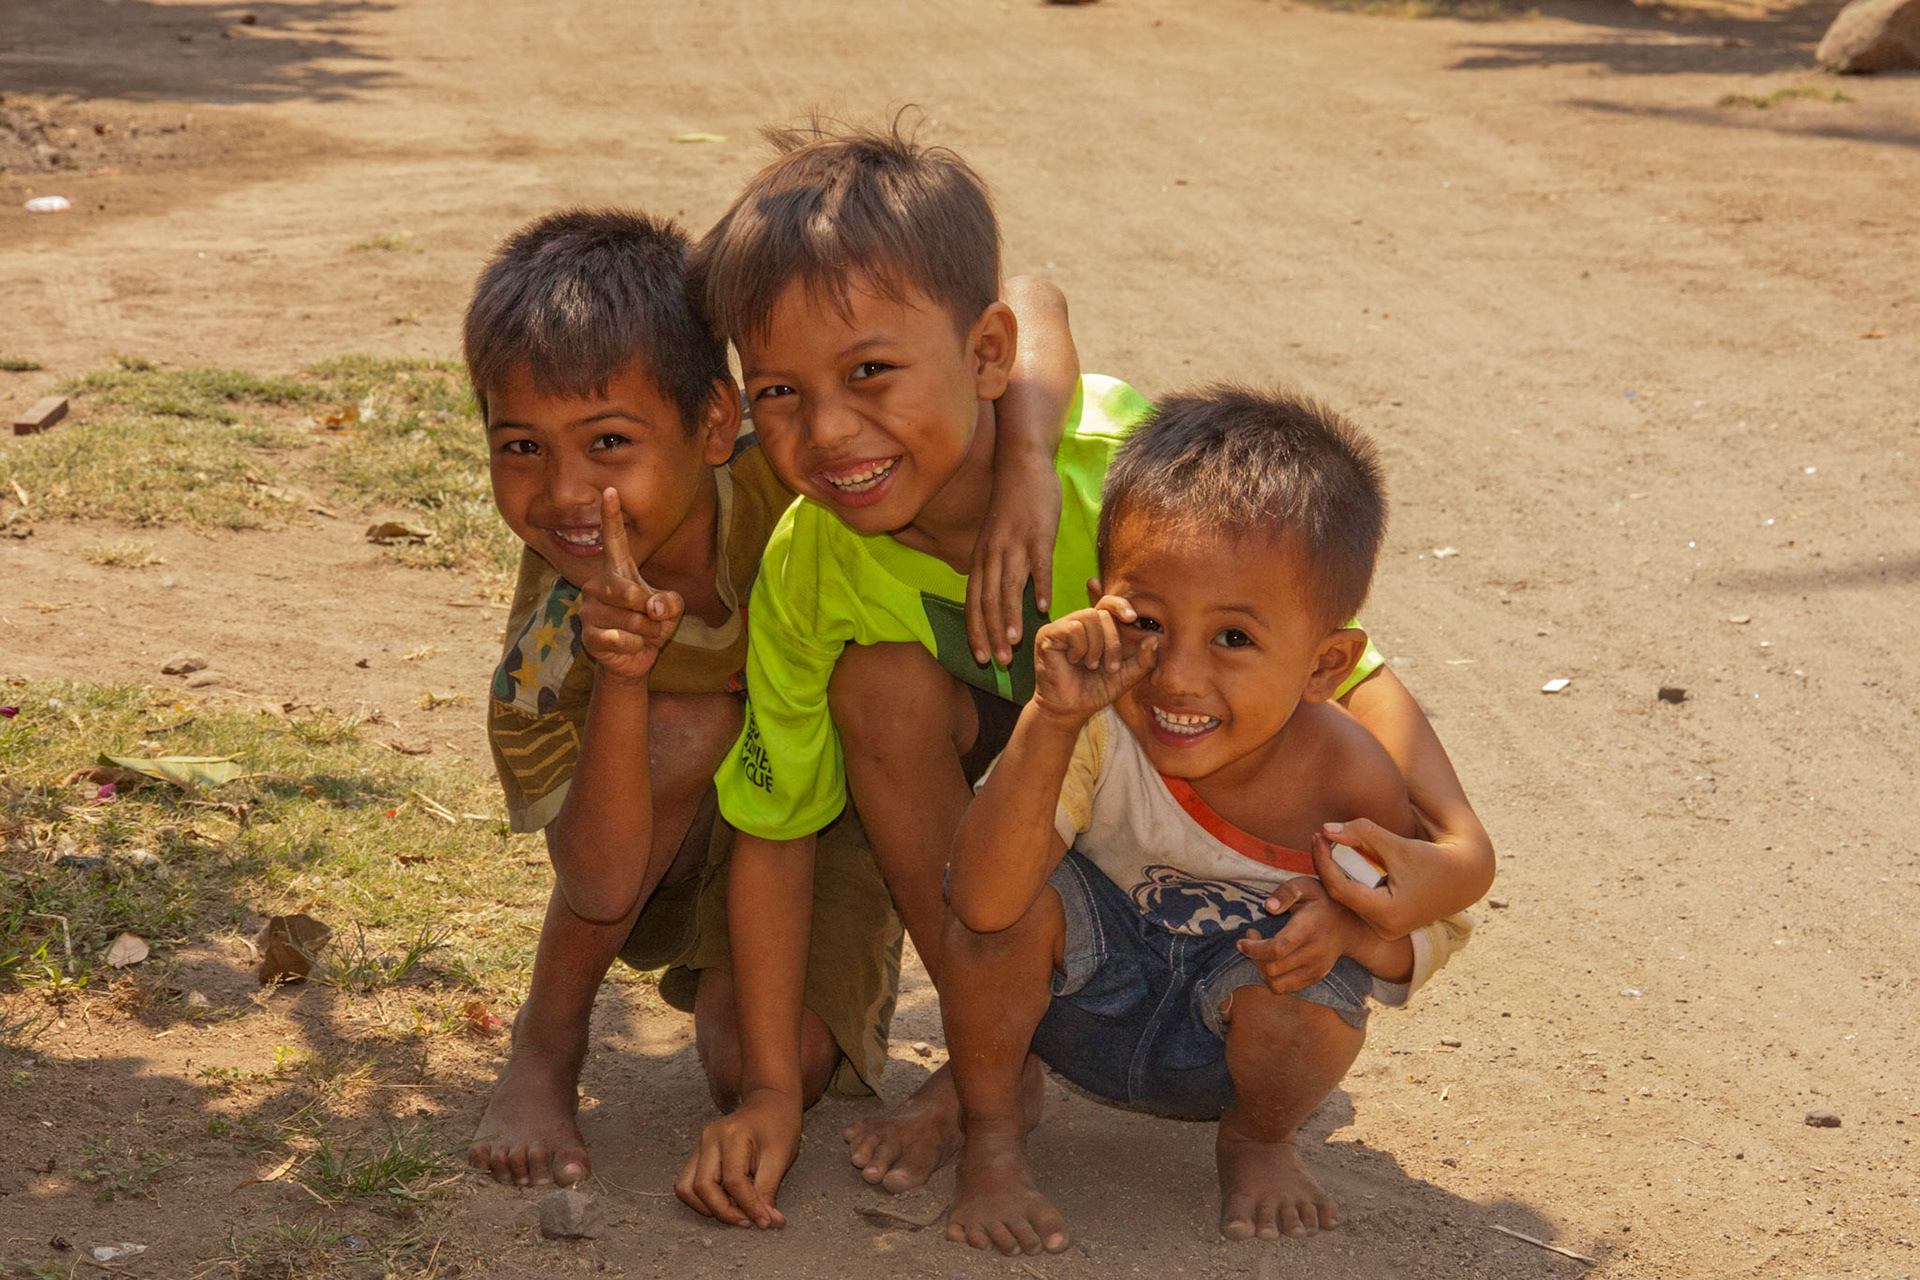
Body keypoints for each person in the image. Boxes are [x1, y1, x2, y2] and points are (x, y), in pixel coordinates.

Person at [677, 121, 1493, 1229]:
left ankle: (1188, 1089)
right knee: (879, 685)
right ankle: (987, 1072)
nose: (826, 429)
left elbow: (1343, 673)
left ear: (984, 358)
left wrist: (1461, 849)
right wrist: (773, 1090)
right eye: (778, 392)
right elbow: (774, 829)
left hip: (1161, 827)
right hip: (1020, 846)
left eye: (870, 371)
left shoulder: (1115, 477)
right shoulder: (808, 564)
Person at [461, 208, 1079, 1188]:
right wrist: (623, 680)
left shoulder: (800, 465)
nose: (569, 492)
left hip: (843, 803)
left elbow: (1034, 294)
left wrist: (1026, 458)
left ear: (714, 423)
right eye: (522, 448)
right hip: (697, 823)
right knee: (689, 725)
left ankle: (990, 1053)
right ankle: (544, 1044)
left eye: (609, 441)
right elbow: (601, 883)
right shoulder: (549, 638)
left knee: (767, 1062)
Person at [940, 386, 1479, 1255]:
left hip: (1225, 1053)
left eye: (1234, 638)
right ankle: (992, 1136)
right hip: (1078, 1008)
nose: (1178, 676)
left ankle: (1258, 1142)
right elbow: (983, 905)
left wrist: (1345, 925)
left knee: (1309, 992)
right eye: (1150, 622)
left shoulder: (1350, 779)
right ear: (1101, 603)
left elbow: (1430, 923)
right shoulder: (1089, 724)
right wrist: (1047, 721)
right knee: (1004, 907)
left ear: (1325, 664)